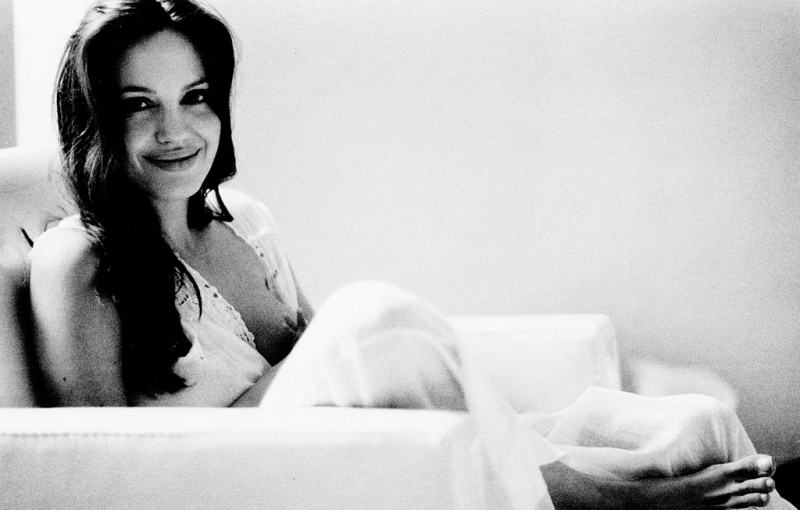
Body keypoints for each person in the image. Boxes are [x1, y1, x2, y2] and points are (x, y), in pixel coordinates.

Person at [26, 0, 792, 508]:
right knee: (373, 318)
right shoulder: (79, 261)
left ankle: (558, 473)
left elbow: (340, 372)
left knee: (698, 426)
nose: (176, 131)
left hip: (353, 456)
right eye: (139, 106)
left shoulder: (244, 222)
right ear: (95, 118)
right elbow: (97, 467)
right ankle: (592, 498)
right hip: (243, 478)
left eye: (195, 97)